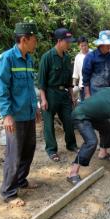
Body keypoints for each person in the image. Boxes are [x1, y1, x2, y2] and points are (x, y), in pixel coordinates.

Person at [0, 22, 40, 206]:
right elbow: (2, 89)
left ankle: (21, 181)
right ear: (24, 39)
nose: (36, 43)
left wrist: (35, 107)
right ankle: (9, 192)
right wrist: (6, 115)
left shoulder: (28, 59)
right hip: (15, 117)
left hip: (28, 113)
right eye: (34, 39)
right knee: (14, 154)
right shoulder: (7, 59)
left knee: (29, 149)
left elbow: (30, 88)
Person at [38, 28, 78, 162]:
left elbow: (69, 81)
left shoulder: (67, 58)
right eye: (67, 42)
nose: (69, 44)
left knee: (69, 120)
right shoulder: (47, 57)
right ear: (59, 41)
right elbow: (41, 82)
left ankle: (71, 145)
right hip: (50, 93)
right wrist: (43, 99)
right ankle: (51, 150)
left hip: (63, 94)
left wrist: (72, 95)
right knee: (49, 124)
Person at [82, 30, 110, 97]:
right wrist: (87, 94)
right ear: (101, 45)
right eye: (107, 44)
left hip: (107, 94)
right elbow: (85, 77)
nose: (109, 46)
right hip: (93, 93)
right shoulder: (90, 57)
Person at [72, 36, 90, 102]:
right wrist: (73, 86)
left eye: (85, 45)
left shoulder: (93, 54)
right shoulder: (77, 57)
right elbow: (75, 73)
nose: (84, 47)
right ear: (78, 46)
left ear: (88, 44)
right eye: (81, 46)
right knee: (84, 105)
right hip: (82, 86)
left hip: (92, 85)